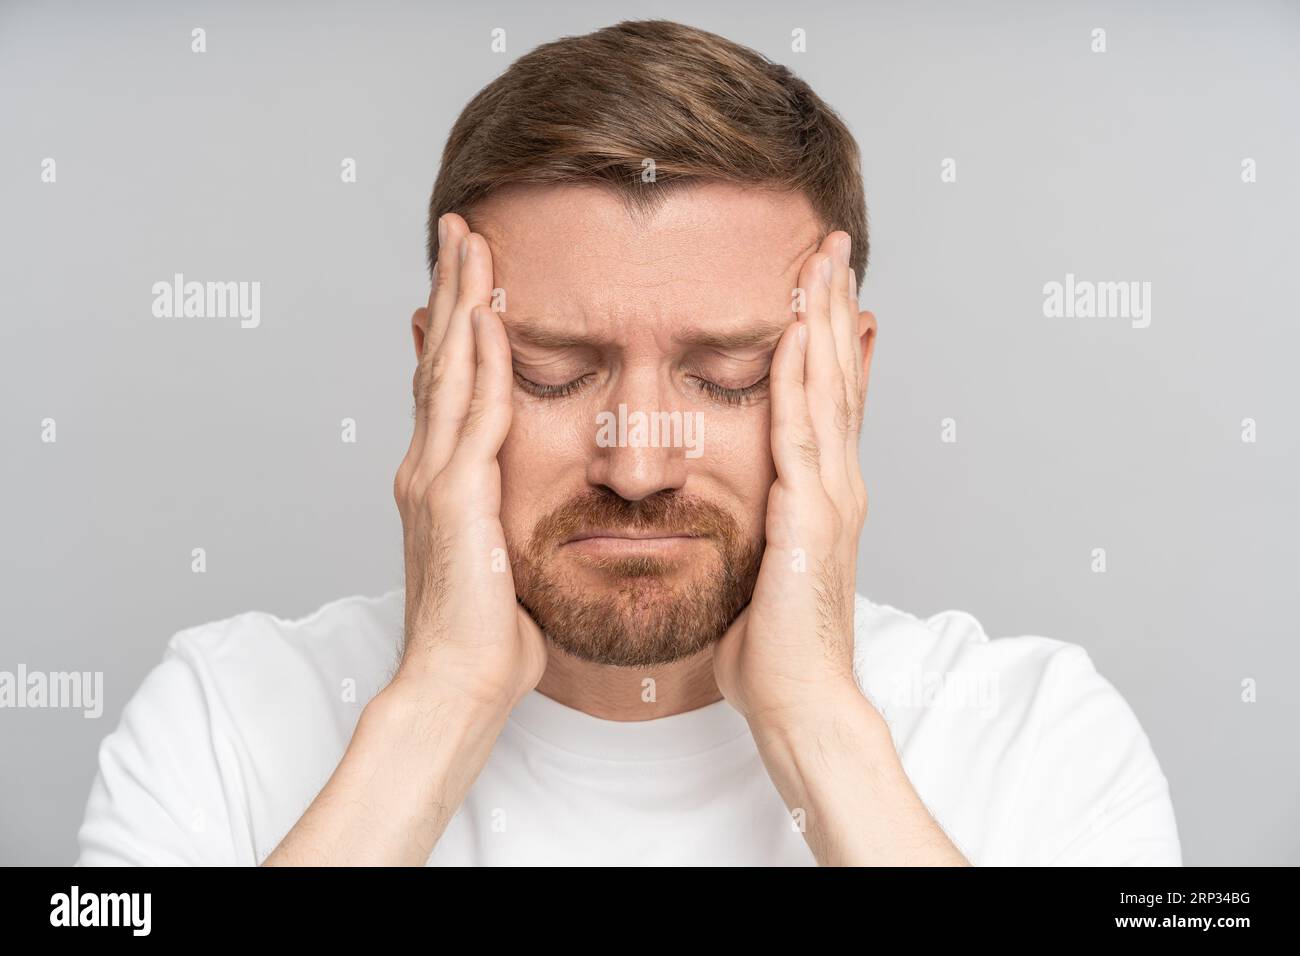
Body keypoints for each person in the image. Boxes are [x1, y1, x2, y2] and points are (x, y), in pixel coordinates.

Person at [75, 19, 1180, 866]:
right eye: (551, 370)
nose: (638, 463)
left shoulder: (1040, 733)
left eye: (726, 375)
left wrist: (818, 730)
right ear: (438, 371)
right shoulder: (223, 712)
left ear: (846, 376)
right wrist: (439, 707)